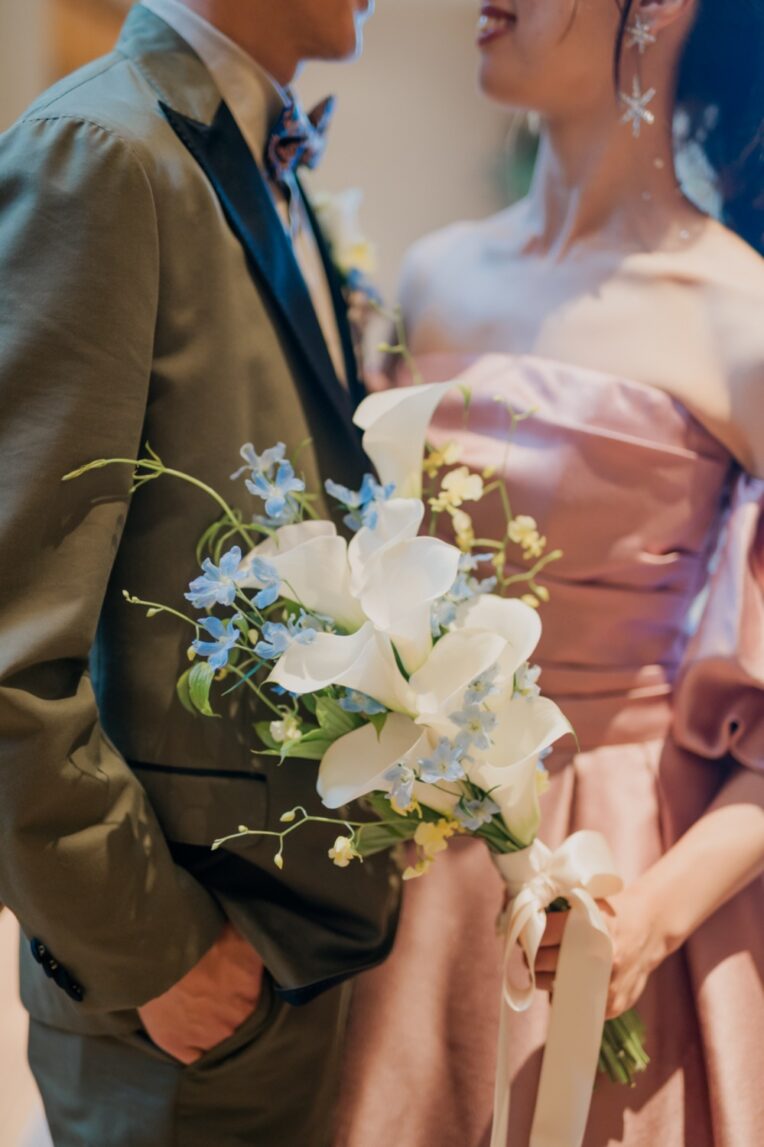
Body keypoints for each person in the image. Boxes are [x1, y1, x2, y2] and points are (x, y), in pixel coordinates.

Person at [336, 1, 764, 1144]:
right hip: (410, 853)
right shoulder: (433, 275)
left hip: (616, 867)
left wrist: (647, 921)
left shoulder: (740, 321)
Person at [0, 2, 400, 1145]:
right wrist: (157, 950)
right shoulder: (102, 154)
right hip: (183, 982)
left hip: (284, 951)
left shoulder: (249, 157)